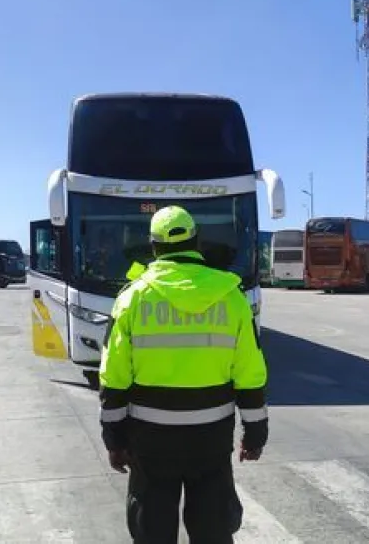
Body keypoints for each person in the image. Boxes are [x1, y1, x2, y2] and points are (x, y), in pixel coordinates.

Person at [98, 205, 269, 544]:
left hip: (150, 440)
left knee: (153, 531)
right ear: (196, 241)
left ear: (153, 246)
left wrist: (114, 440)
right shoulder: (231, 298)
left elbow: (113, 377)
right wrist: (255, 433)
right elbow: (250, 373)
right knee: (212, 530)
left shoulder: (132, 298)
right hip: (211, 438)